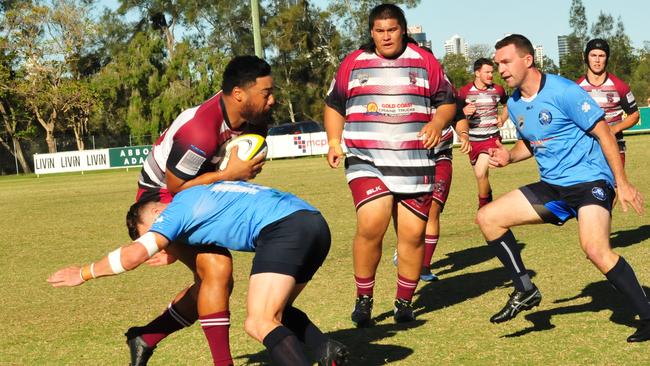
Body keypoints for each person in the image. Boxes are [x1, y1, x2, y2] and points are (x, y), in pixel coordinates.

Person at [47, 181, 349, 366]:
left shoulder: (172, 212)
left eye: (150, 233)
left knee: (259, 321)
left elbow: (134, 255)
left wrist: (84, 272)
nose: (158, 240)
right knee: (278, 313)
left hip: (284, 229)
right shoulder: (198, 194)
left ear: (155, 213)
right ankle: (325, 349)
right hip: (315, 223)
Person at [477, 34, 649, 343]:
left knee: (595, 250)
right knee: (488, 218)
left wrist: (621, 183)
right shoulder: (514, 103)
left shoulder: (565, 91)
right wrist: (509, 156)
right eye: (497, 63)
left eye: (505, 61)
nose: (500, 69)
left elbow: (605, 134)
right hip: (553, 188)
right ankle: (525, 289)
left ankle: (648, 316)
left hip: (590, 183)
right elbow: (529, 143)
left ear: (527, 60)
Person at [125, 55, 273, 365]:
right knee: (217, 270)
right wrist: (164, 235)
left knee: (214, 280)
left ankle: (146, 337)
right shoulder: (200, 130)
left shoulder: (257, 116)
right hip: (164, 194)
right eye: (266, 93)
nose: (272, 99)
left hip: (204, 191)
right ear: (238, 94)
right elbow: (177, 187)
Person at [324, 3, 455, 326]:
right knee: (373, 222)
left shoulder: (425, 61)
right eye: (380, 31)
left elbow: (448, 102)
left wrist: (438, 124)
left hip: (416, 160)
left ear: (403, 29)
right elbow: (334, 104)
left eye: (392, 30)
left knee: (412, 235)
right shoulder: (353, 63)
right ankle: (364, 299)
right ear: (371, 32)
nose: (386, 37)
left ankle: (403, 303)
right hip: (366, 158)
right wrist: (332, 140)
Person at [577, 38, 640, 166]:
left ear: (607, 58)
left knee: (616, 186)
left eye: (602, 55)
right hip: (586, 149)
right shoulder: (576, 88)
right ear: (586, 57)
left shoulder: (620, 86)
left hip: (615, 146)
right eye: (593, 55)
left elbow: (634, 115)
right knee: (588, 186)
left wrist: (613, 129)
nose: (597, 60)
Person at [456, 58, 508, 209]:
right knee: (482, 177)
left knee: (480, 173)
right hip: (473, 141)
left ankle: (483, 209)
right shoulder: (464, 92)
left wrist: (502, 118)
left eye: (492, 72)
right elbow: (456, 114)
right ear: (477, 73)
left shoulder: (498, 90)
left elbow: (507, 105)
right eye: (487, 72)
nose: (491, 75)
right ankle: (489, 203)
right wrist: (464, 112)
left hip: (491, 138)